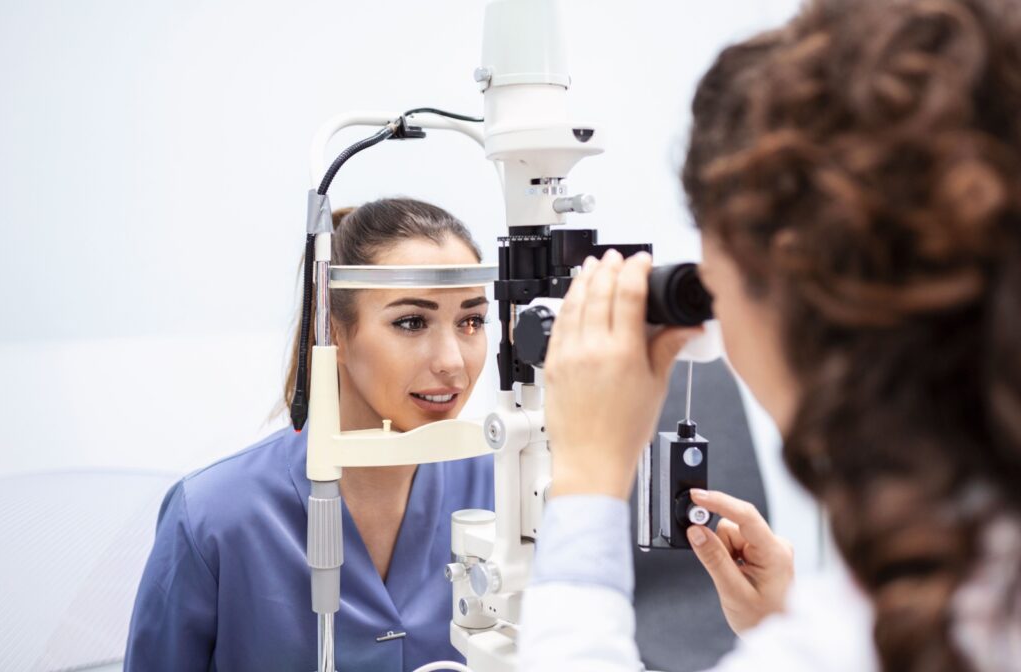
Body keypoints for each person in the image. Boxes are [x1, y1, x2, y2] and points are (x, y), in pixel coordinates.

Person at [519, 0, 1021, 670]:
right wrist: (778, 626)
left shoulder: (850, 640)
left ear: (782, 288)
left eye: (715, 289)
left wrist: (586, 483)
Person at [124, 198, 495, 672]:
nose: (452, 361)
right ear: (333, 329)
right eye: (411, 322)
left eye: (471, 321)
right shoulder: (215, 518)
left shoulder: (505, 490)